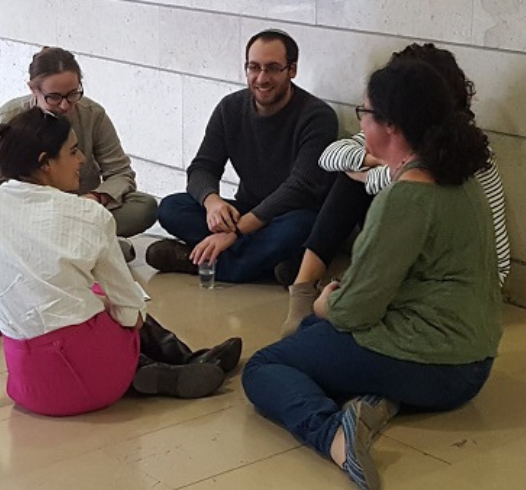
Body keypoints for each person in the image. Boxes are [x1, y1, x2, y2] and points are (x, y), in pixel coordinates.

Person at [242, 59, 501, 490]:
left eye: (365, 113)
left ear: (391, 126)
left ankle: (334, 434)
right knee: (316, 339)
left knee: (267, 365)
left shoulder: (405, 197)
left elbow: (354, 312)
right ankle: (374, 401)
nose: (361, 123)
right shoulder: (462, 178)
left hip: (437, 367)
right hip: (474, 364)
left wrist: (326, 304)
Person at [0, 107, 242, 427]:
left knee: (81, 295)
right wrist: (104, 303)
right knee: (107, 297)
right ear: (45, 162)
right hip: (97, 380)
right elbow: (131, 316)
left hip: (32, 388)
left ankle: (180, 366)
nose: (82, 160)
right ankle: (167, 366)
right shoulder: (89, 215)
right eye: (74, 151)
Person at [280, 43, 510, 336]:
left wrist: (372, 170)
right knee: (344, 183)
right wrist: (377, 158)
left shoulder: (458, 154)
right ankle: (305, 285)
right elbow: (329, 157)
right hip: (433, 278)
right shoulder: (409, 137)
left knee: (269, 363)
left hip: (465, 279)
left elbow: (394, 186)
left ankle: (328, 289)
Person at [146, 29, 338, 283]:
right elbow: (203, 167)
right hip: (248, 209)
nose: (261, 78)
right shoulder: (230, 108)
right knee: (171, 207)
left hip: (292, 214)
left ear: (291, 70)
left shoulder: (317, 117)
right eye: (254, 67)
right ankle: (266, 265)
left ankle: (200, 263)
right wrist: (212, 202)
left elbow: (300, 188)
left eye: (272, 68)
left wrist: (235, 231)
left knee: (300, 228)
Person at [0, 46, 157, 261]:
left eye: (73, 94)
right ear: (33, 90)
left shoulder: (92, 114)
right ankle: (89, 246)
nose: (65, 105)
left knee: (145, 206)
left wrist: (94, 197)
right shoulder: (9, 117)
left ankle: (74, 245)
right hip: (30, 214)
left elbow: (121, 172)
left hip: (82, 208)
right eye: (54, 97)